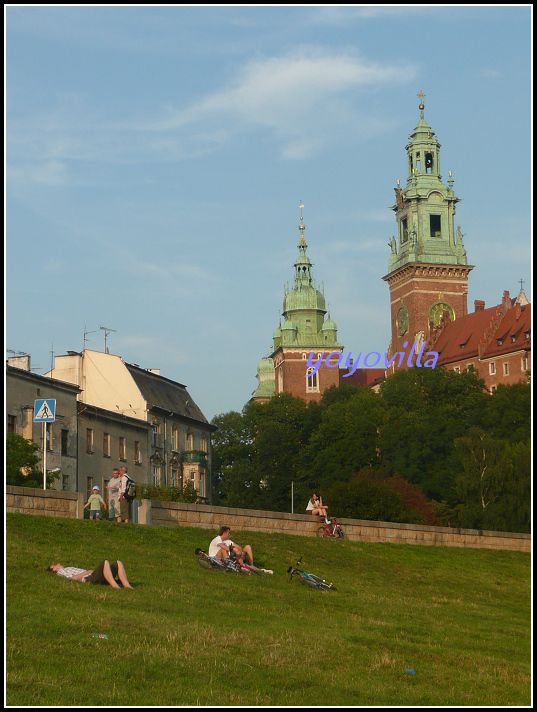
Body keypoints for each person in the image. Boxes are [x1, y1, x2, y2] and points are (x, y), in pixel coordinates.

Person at [208, 526, 273, 574]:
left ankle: (262, 570)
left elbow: (238, 547)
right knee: (224, 549)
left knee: (243, 550)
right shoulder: (218, 539)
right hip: (215, 558)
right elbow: (223, 547)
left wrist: (239, 551)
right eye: (228, 533)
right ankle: (228, 565)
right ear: (224, 533)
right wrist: (235, 551)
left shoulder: (227, 541)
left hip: (227, 557)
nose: (229, 534)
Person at [46, 560, 133, 588]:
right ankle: (115, 586)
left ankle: (127, 585)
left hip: (91, 575)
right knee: (105, 562)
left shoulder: (67, 568)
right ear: (54, 569)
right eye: (55, 565)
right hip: (88, 578)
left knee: (118, 563)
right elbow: (72, 578)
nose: (58, 564)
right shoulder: (61, 572)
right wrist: (87, 572)